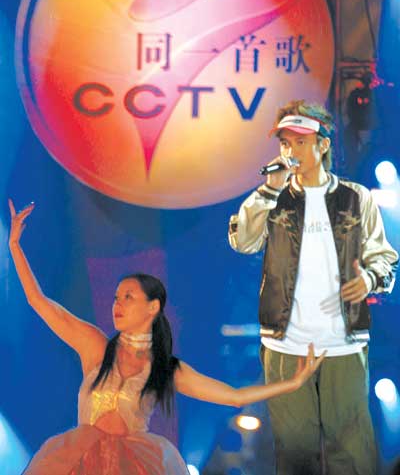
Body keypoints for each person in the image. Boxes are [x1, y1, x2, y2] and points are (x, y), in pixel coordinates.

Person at [8, 199, 324, 475]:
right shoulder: (95, 346)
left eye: (128, 297)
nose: (117, 305)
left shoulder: (164, 368)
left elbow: (234, 396)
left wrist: (293, 382)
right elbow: (39, 302)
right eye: (116, 298)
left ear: (153, 307)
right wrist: (15, 247)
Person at [228, 100, 398, 475]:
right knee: (294, 455)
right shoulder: (272, 199)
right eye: (285, 143)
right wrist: (267, 192)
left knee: (351, 453)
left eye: (300, 142)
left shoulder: (357, 197)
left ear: (323, 145)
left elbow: (385, 258)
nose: (291, 151)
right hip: (285, 344)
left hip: (344, 342)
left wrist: (369, 279)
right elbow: (243, 242)